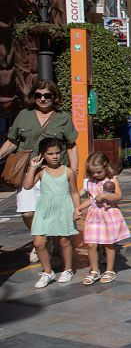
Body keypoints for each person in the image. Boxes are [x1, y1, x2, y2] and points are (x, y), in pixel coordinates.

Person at [0, 79, 79, 251]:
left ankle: (56, 251)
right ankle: (43, 237)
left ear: (54, 97)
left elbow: (71, 146)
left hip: (54, 174)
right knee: (27, 212)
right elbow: (12, 141)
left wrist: (74, 170)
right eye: (38, 95)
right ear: (33, 96)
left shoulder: (63, 118)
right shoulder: (24, 115)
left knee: (55, 213)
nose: (42, 99)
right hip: (28, 172)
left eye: (47, 95)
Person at [23, 138, 82, 288]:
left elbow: (74, 192)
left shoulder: (68, 171)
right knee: (38, 243)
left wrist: (77, 209)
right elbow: (27, 186)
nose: (55, 156)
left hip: (63, 208)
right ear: (43, 155)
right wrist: (32, 167)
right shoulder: (40, 172)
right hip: (44, 209)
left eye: (57, 153)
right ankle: (48, 272)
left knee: (64, 241)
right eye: (50, 154)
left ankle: (68, 269)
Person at [78, 152, 130, 285]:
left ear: (105, 166)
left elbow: (118, 196)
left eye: (98, 172)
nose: (95, 175)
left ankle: (109, 270)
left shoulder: (112, 179)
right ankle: (95, 270)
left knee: (108, 243)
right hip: (94, 216)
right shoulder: (90, 182)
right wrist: (78, 208)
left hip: (108, 214)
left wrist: (105, 196)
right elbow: (91, 199)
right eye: (92, 172)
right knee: (91, 244)